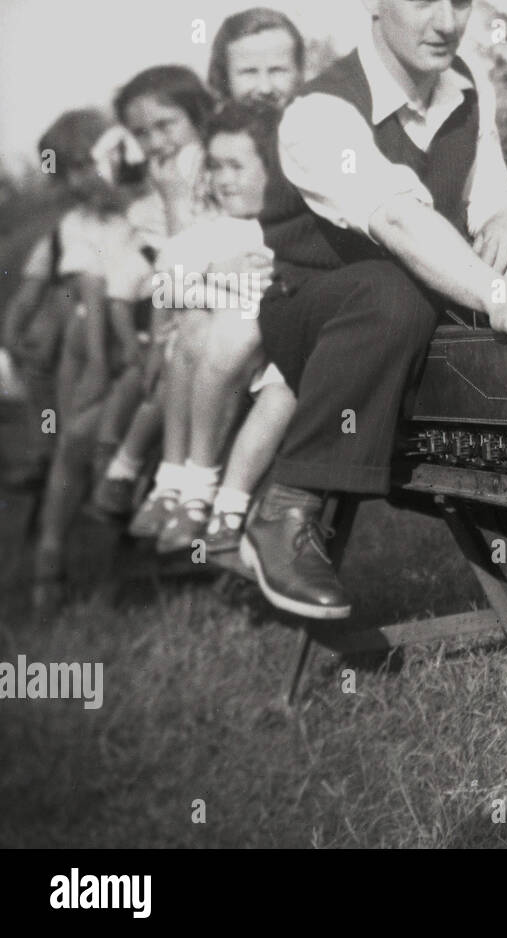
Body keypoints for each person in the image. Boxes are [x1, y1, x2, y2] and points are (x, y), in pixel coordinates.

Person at [243, 0, 507, 620]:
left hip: (419, 299)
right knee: (391, 293)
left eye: (459, 1)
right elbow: (398, 219)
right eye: (423, 1)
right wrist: (502, 300)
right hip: (322, 315)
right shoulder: (321, 110)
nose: (447, 22)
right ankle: (287, 506)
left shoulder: (467, 85)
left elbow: (491, 189)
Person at [12, 110, 155, 610]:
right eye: (70, 170)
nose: (82, 179)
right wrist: (85, 360)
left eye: (89, 164)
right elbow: (79, 297)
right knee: (75, 444)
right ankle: (51, 560)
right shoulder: (71, 227)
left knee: (112, 449)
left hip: (140, 337)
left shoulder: (143, 212)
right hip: (90, 347)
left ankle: (117, 565)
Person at [147, 101, 286, 555]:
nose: (223, 179)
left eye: (236, 167)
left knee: (272, 377)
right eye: (215, 166)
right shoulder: (212, 231)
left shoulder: (284, 228)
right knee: (210, 331)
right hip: (217, 353)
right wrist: (217, 280)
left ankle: (220, 498)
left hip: (274, 353)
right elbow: (166, 289)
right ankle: (192, 483)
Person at [89, 67, 216, 535]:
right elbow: (172, 270)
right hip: (191, 302)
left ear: (199, 116)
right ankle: (140, 476)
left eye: (167, 125)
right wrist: (159, 333)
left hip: (224, 299)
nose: (156, 142)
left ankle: (144, 474)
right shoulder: (159, 189)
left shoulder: (216, 165)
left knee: (179, 368)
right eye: (142, 133)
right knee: (164, 373)